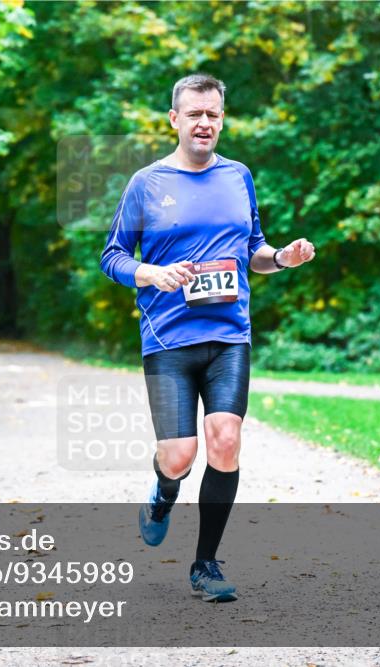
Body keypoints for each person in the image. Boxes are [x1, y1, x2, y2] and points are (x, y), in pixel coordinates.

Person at [99, 73, 315, 602]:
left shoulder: (239, 176)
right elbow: (112, 256)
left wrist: (281, 258)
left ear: (222, 119)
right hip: (167, 339)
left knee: (225, 439)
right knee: (178, 456)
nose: (204, 123)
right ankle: (162, 492)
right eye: (194, 113)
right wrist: (150, 273)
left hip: (230, 335)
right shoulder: (146, 183)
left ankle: (205, 565)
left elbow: (254, 249)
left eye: (212, 114)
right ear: (174, 119)